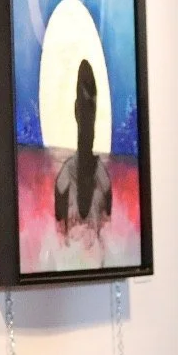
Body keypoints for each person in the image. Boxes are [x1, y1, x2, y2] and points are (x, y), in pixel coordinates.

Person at [55, 59, 113, 232]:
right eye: (84, 107)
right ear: (75, 110)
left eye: (91, 108)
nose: (88, 117)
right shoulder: (64, 180)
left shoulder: (103, 181)